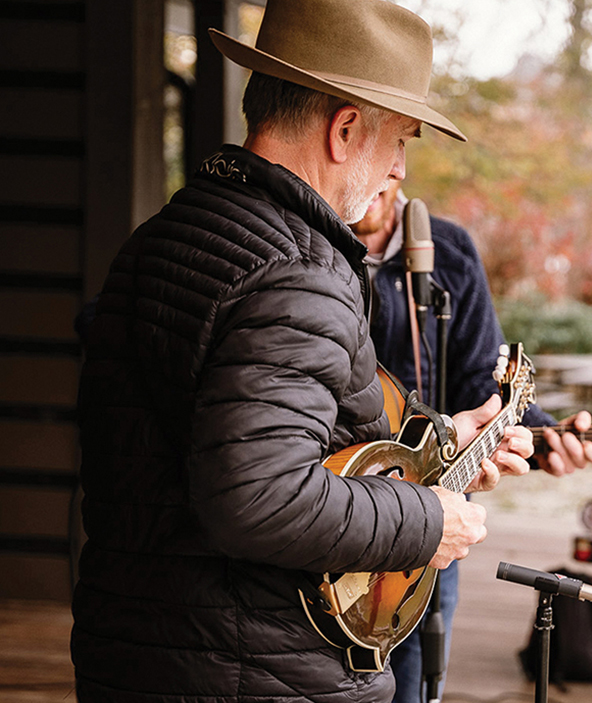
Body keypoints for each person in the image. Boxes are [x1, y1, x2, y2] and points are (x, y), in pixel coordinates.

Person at [70, 2, 533, 702]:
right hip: (261, 675)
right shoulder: (300, 270)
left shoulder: (167, 233)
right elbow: (257, 494)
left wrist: (442, 443)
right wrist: (429, 520)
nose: (399, 171)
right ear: (346, 129)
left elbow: (220, 442)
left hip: (137, 654)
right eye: (400, 141)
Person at [350, 180, 592, 701]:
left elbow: (479, 378)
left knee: (416, 679)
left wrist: (541, 434)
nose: (380, 180)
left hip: (430, 510)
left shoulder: (449, 250)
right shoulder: (311, 244)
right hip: (335, 504)